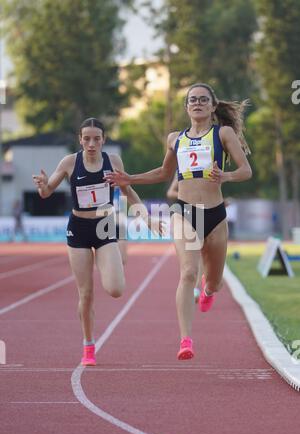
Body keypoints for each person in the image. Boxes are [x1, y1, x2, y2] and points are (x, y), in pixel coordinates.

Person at [105, 83, 252, 360]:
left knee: (216, 282)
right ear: (186, 107)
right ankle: (186, 340)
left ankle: (209, 289)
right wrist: (130, 179)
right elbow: (163, 172)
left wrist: (227, 177)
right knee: (187, 273)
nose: (197, 103)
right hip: (185, 211)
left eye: (202, 99)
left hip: (215, 212)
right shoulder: (175, 138)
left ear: (212, 105)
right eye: (192, 100)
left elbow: (246, 170)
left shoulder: (223, 133)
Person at [33, 117, 162, 366]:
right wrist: (42, 186)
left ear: (103, 140)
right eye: (87, 138)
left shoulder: (113, 162)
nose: (91, 143)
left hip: (104, 225)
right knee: (86, 293)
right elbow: (47, 191)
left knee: (115, 289)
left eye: (96, 138)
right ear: (80, 140)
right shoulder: (70, 162)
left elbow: (128, 191)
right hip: (79, 229)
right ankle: (88, 345)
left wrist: (147, 218)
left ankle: (113, 256)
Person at [166, 174, 202, 303]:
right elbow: (170, 192)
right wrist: (187, 195)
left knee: (200, 252)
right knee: (187, 255)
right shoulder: (181, 170)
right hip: (185, 211)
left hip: (202, 210)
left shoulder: (207, 167)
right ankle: (191, 286)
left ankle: (197, 287)